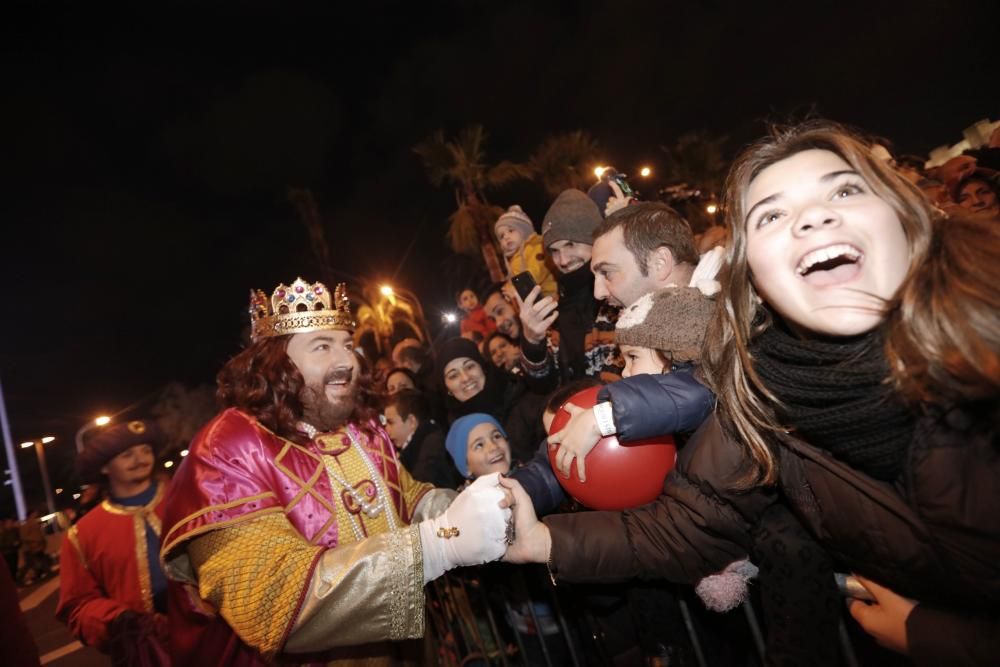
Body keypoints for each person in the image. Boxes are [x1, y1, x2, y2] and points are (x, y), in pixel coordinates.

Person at [503, 121, 1000, 665]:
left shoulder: (985, 331)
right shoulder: (752, 386)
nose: (812, 218)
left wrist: (944, 640)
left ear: (903, 212)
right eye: (771, 216)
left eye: (843, 189)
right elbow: (694, 526)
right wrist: (544, 542)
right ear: (753, 268)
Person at [160, 278, 513, 665]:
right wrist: (437, 545)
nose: (346, 361)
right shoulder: (228, 447)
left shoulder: (361, 425)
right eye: (322, 346)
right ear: (276, 362)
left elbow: (406, 499)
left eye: (347, 344)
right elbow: (269, 600)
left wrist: (475, 507)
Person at [56, 419, 171, 664]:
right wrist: (118, 621)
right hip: (151, 654)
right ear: (105, 468)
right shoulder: (82, 535)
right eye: (127, 455)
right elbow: (77, 606)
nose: (140, 459)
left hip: (219, 637)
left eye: (146, 450)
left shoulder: (187, 495)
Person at [519, 189, 617, 382]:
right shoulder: (553, 310)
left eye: (571, 244)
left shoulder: (617, 297)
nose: (563, 260)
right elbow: (543, 385)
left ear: (595, 241)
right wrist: (532, 342)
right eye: (554, 250)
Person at [438, 336, 546, 463]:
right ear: (448, 389)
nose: (465, 378)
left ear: (483, 368)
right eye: (453, 375)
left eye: (469, 367)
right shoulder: (457, 434)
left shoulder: (520, 398)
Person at [383, 389, 463, 489]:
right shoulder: (418, 446)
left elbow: (419, 489)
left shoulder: (432, 444)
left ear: (412, 421)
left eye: (390, 423)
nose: (386, 430)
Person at [494, 205, 558, 298]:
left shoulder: (535, 247)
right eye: (502, 236)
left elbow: (538, 270)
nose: (506, 237)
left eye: (511, 231)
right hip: (537, 298)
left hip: (551, 295)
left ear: (523, 230)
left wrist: (518, 287)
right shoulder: (514, 259)